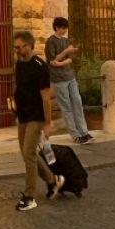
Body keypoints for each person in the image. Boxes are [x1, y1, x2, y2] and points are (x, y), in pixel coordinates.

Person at [12, 30, 64, 212]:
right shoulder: (19, 63)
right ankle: (53, 180)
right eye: (15, 48)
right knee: (28, 154)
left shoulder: (39, 66)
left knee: (28, 152)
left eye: (19, 47)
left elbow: (46, 97)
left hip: (36, 116)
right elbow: (19, 87)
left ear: (28, 45)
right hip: (22, 115)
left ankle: (29, 196)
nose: (16, 51)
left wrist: (47, 123)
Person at [44, 17, 92, 145]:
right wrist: (65, 52)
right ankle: (75, 135)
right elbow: (52, 60)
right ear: (57, 27)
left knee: (77, 103)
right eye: (63, 28)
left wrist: (60, 63)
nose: (65, 30)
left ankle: (84, 132)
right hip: (58, 79)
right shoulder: (50, 42)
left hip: (70, 76)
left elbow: (69, 59)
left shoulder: (66, 41)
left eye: (66, 28)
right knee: (66, 107)